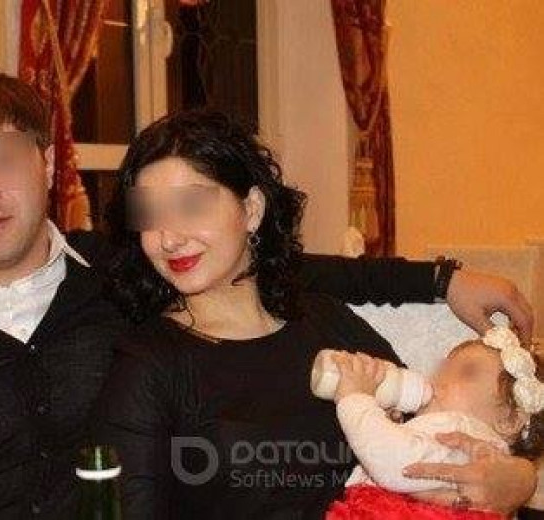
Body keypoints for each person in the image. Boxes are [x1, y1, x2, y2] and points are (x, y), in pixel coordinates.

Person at [0, 67, 533, 519]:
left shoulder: (117, 273)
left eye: (2, 159)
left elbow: (283, 275)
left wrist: (442, 279)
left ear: (47, 165)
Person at [96, 110, 538, 519]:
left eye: (192, 205)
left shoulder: (327, 322)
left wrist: (519, 478)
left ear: (251, 209)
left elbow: (433, 432)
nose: (168, 238)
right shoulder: (148, 364)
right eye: (149, 214)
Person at [326, 326, 544, 519]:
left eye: (467, 372)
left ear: (510, 420)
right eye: (443, 369)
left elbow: (396, 465)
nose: (440, 378)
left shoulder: (462, 430)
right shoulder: (456, 436)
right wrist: (391, 425)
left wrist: (355, 398)